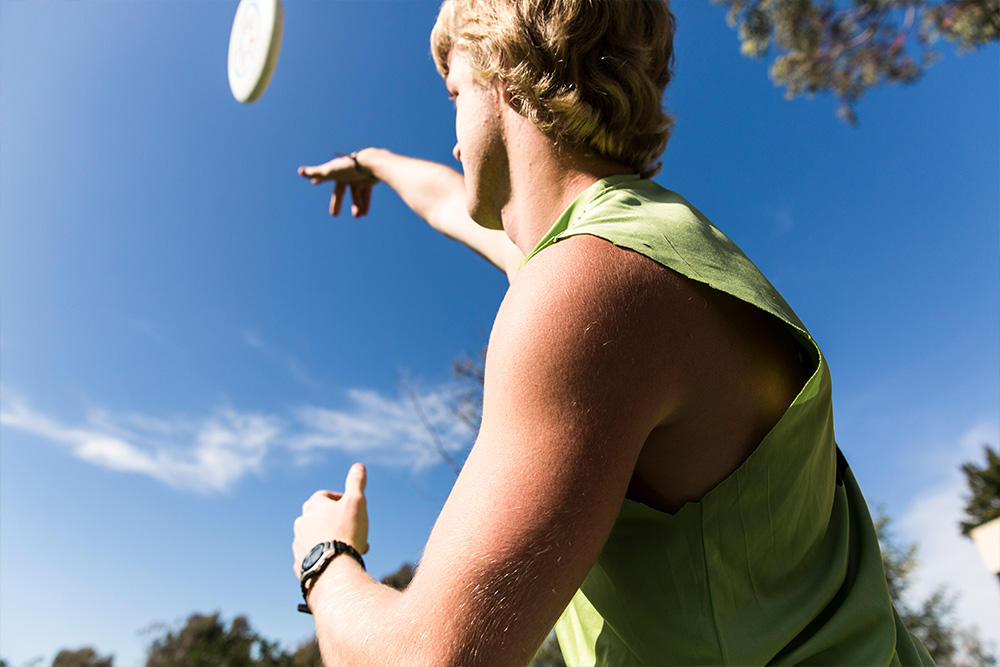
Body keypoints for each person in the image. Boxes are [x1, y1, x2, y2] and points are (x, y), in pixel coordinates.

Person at [291, 0, 934, 664]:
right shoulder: (639, 245)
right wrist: (373, 161)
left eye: (454, 93)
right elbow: (448, 200)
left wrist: (325, 557)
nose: (452, 138)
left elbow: (428, 659)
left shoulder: (590, 285)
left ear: (502, 71)